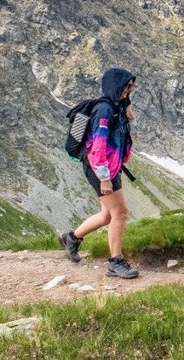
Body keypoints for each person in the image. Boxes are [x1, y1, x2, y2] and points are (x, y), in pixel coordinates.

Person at [59, 68, 139, 279]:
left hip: (108, 167)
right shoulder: (104, 111)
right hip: (100, 168)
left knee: (106, 215)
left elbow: (126, 125)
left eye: (131, 86)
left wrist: (127, 108)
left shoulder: (116, 107)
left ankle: (71, 238)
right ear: (116, 86)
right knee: (119, 213)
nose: (130, 90)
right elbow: (98, 147)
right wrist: (104, 178)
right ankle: (116, 261)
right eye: (127, 86)